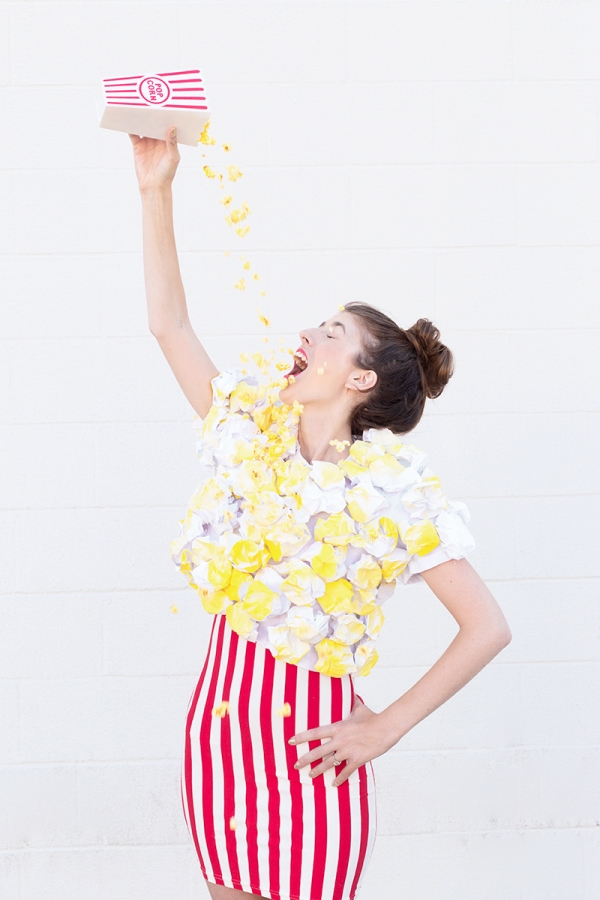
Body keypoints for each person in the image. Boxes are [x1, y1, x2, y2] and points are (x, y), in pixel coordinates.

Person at [128, 126, 512, 900]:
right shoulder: (246, 431)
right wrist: (156, 190)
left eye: (330, 333)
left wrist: (386, 726)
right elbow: (169, 326)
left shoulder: (394, 490)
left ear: (362, 380)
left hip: (312, 754)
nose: (305, 334)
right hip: (219, 735)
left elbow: (488, 627)